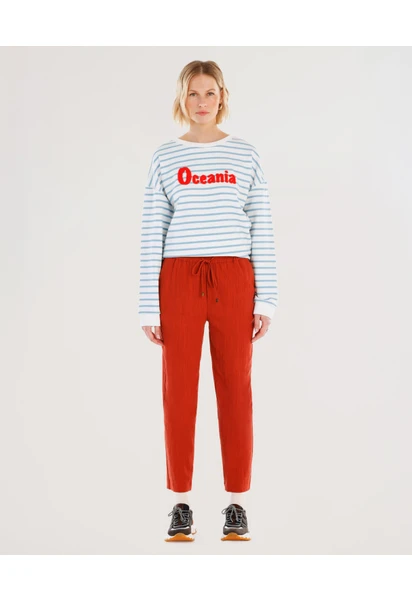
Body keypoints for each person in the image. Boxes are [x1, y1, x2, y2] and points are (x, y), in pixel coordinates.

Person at [138, 60, 279, 541]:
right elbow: (152, 231)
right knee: (178, 390)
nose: (202, 102)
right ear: (183, 98)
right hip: (178, 277)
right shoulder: (164, 156)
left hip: (234, 277)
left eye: (210, 92)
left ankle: (237, 504)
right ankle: (180, 504)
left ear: (223, 96)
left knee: (236, 389)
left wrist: (266, 300)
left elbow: (262, 226)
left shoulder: (245, 154)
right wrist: (148, 305)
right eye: (193, 93)